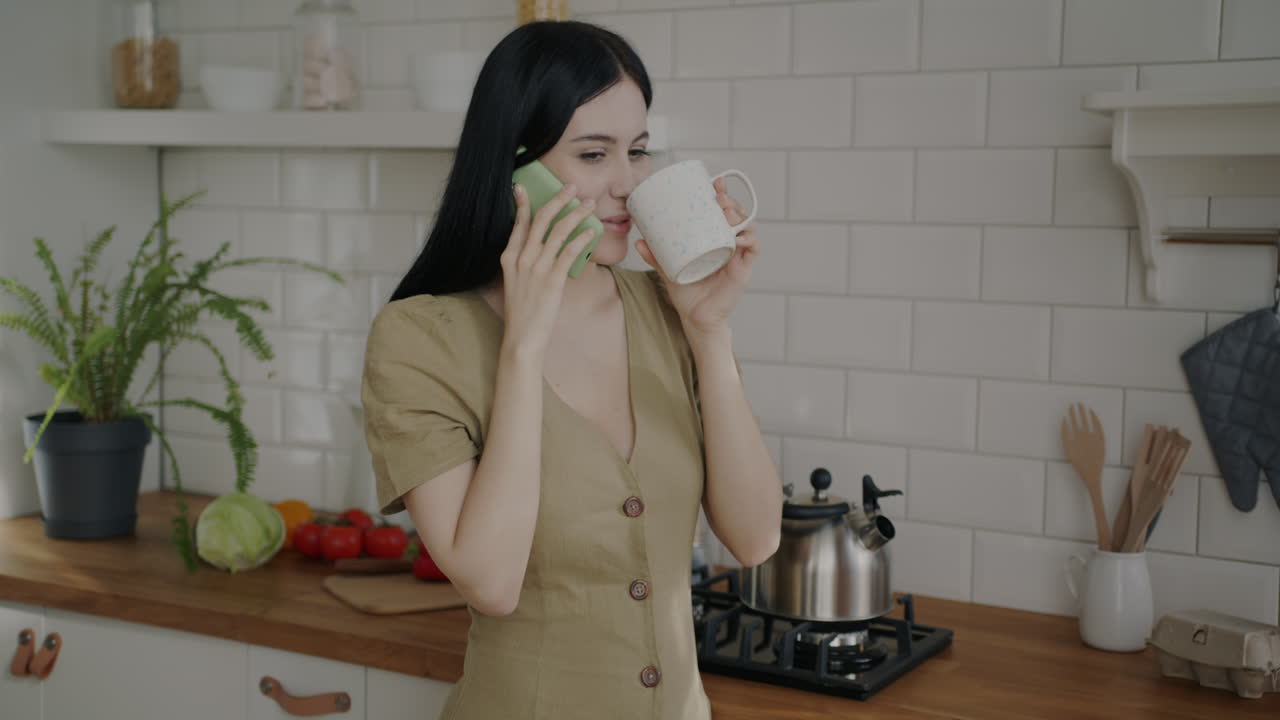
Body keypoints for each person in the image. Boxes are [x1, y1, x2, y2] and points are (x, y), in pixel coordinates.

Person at [360, 20, 782, 720]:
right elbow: (491, 583)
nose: (628, 184)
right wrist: (524, 343)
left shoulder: (670, 311)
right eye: (593, 154)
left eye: (637, 151)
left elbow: (755, 538)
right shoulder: (419, 339)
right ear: (514, 168)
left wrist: (709, 334)